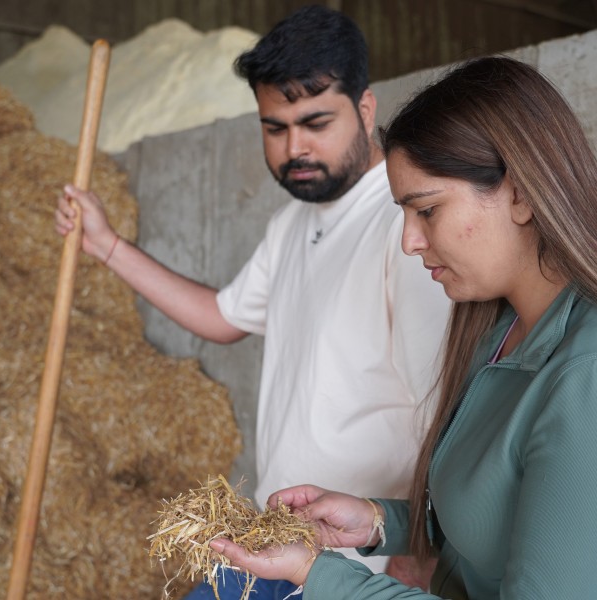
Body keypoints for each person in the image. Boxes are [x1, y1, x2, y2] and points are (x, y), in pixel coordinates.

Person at [55, 5, 449, 598]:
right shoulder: (293, 223)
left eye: (316, 122)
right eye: (275, 127)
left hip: (353, 566)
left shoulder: (402, 226)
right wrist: (107, 247)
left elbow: (447, 408)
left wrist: (416, 549)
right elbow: (223, 317)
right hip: (273, 542)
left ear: (365, 109)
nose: (296, 148)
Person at [208, 55, 597, 599]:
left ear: (521, 195)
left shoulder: (585, 378)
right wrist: (378, 521)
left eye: (428, 211)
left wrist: (316, 573)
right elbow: (499, 517)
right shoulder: (499, 330)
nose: (409, 241)